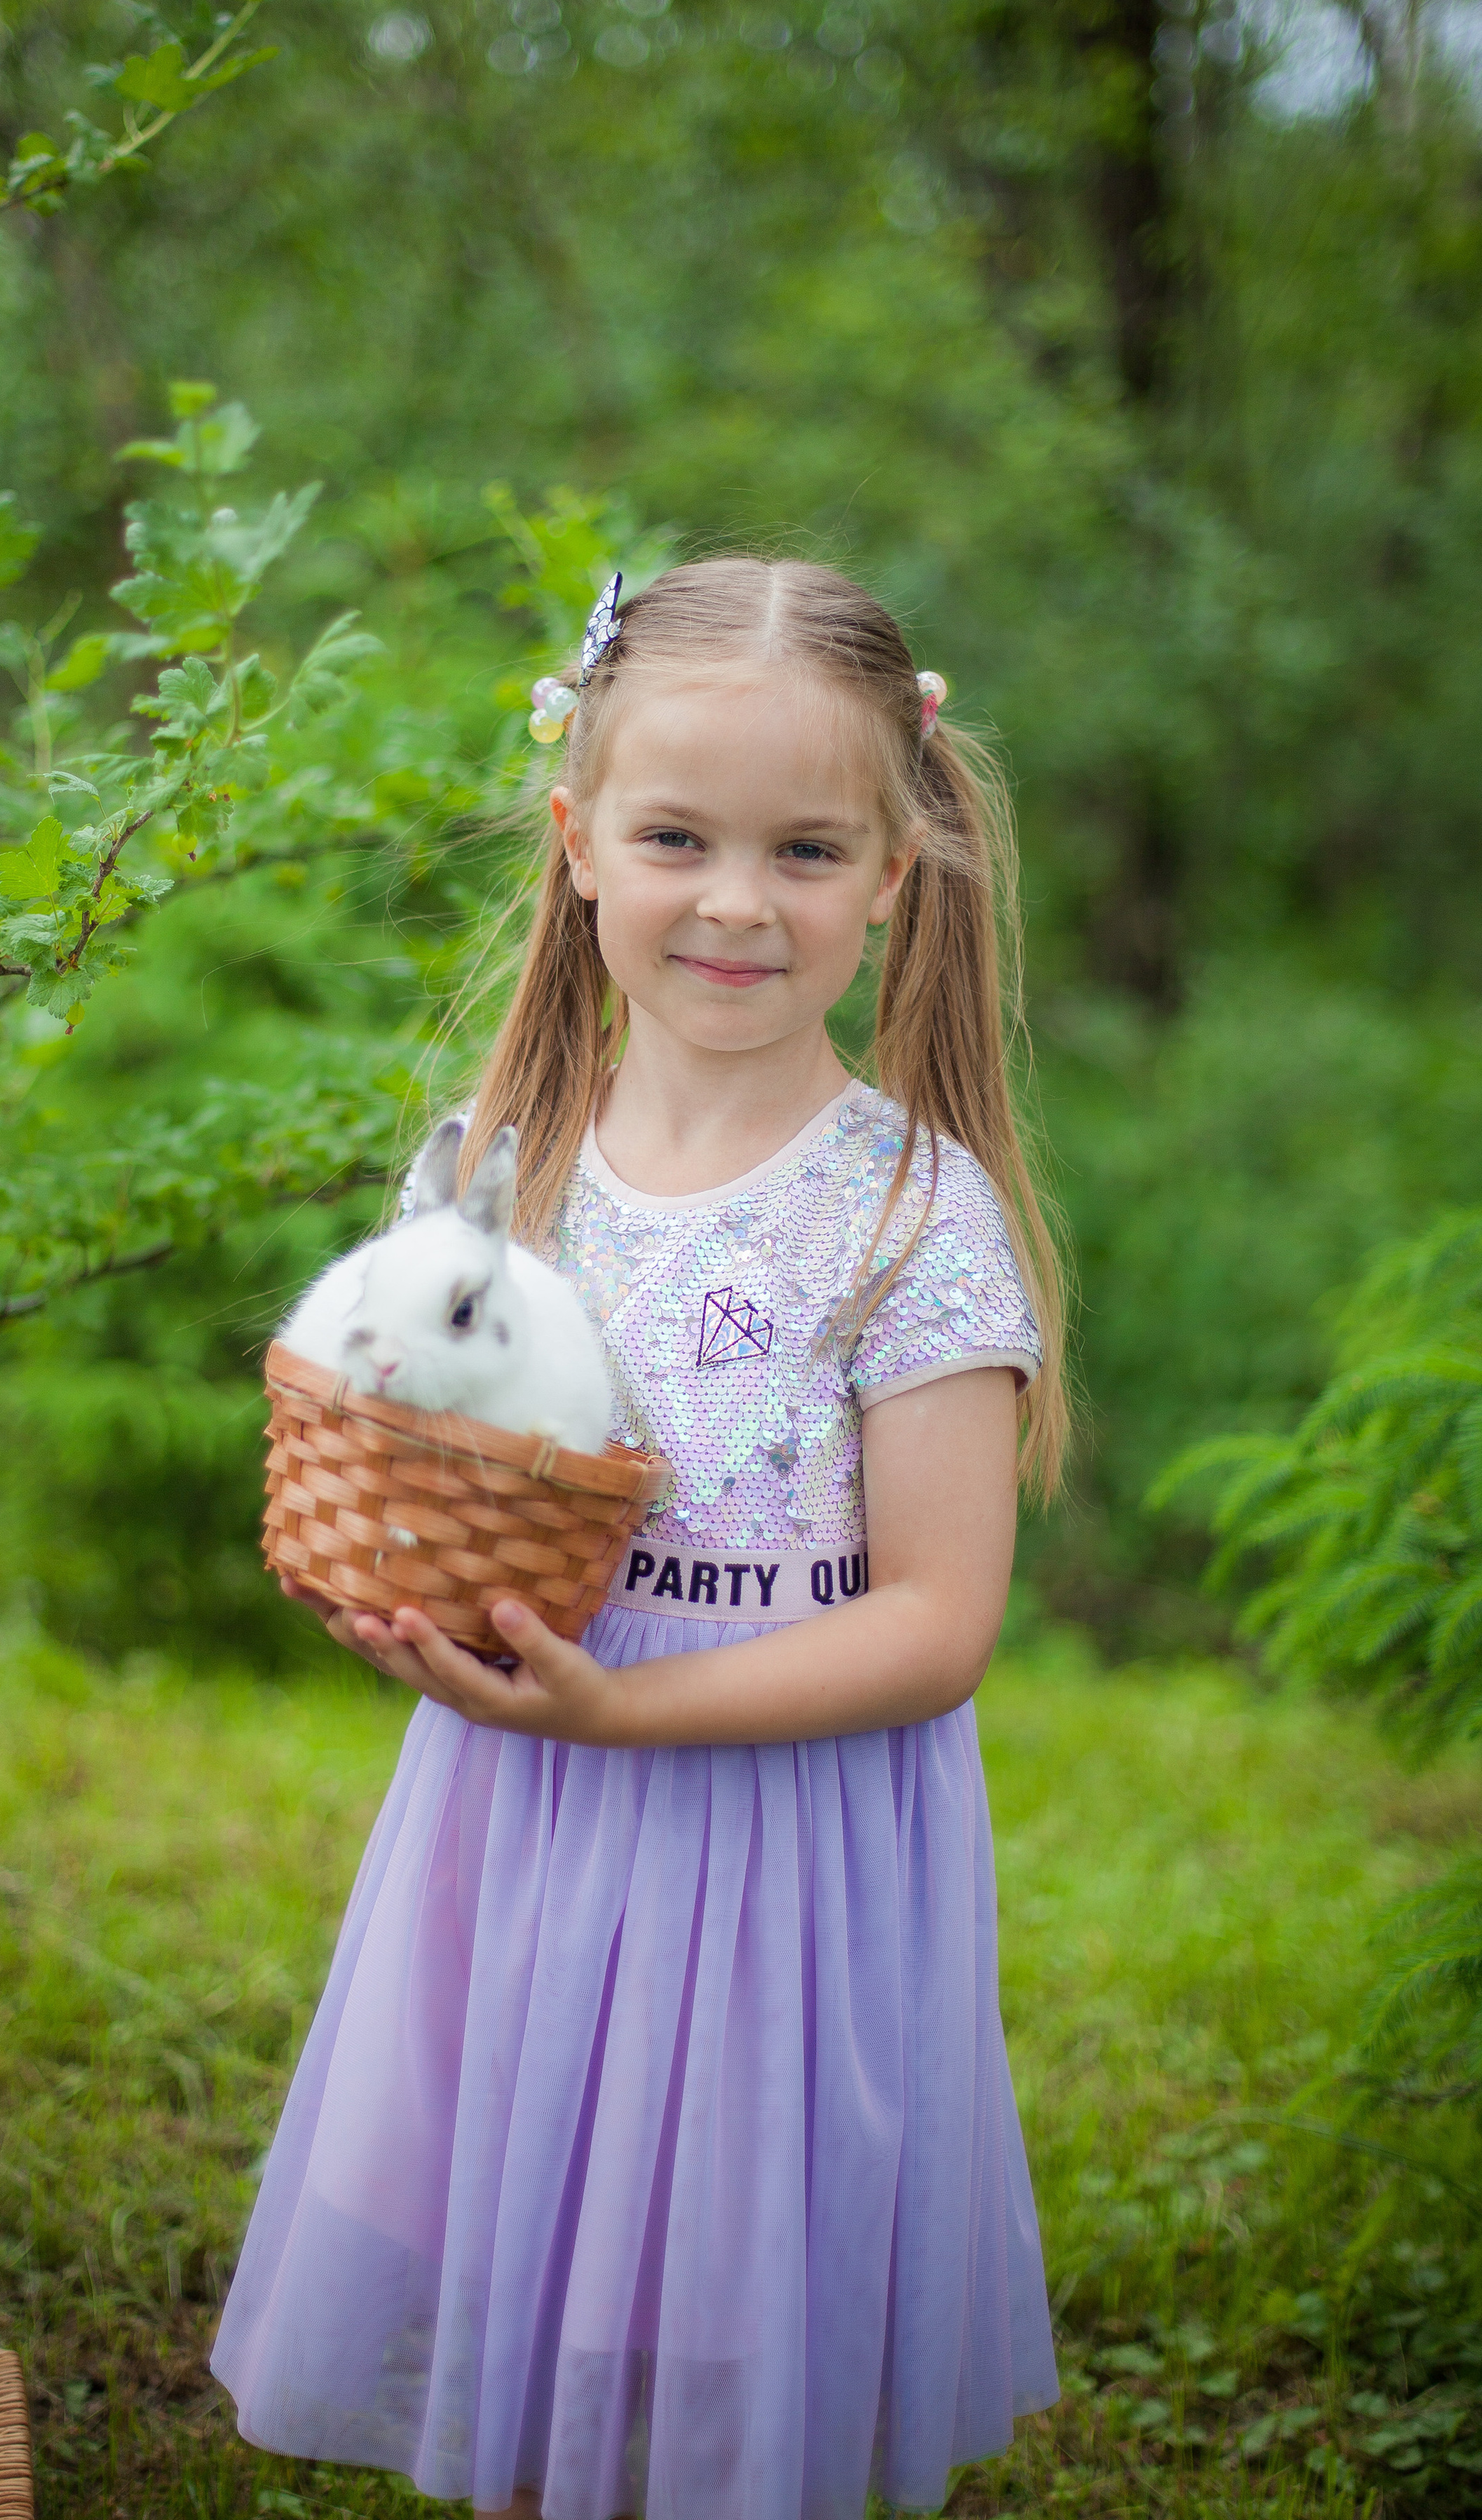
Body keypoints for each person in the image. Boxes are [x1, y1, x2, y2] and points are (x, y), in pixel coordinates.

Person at [211, 557, 1070, 2519]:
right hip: (530, 1814)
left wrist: (612, 1717)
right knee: (535, 2300)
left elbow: (939, 1624)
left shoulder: (909, 1219)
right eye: (679, 837)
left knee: (707, 2358)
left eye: (806, 848)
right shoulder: (515, 1162)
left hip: (764, 1842)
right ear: (580, 840)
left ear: (896, 869)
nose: (740, 902)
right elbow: (434, 1453)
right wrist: (414, 1599)